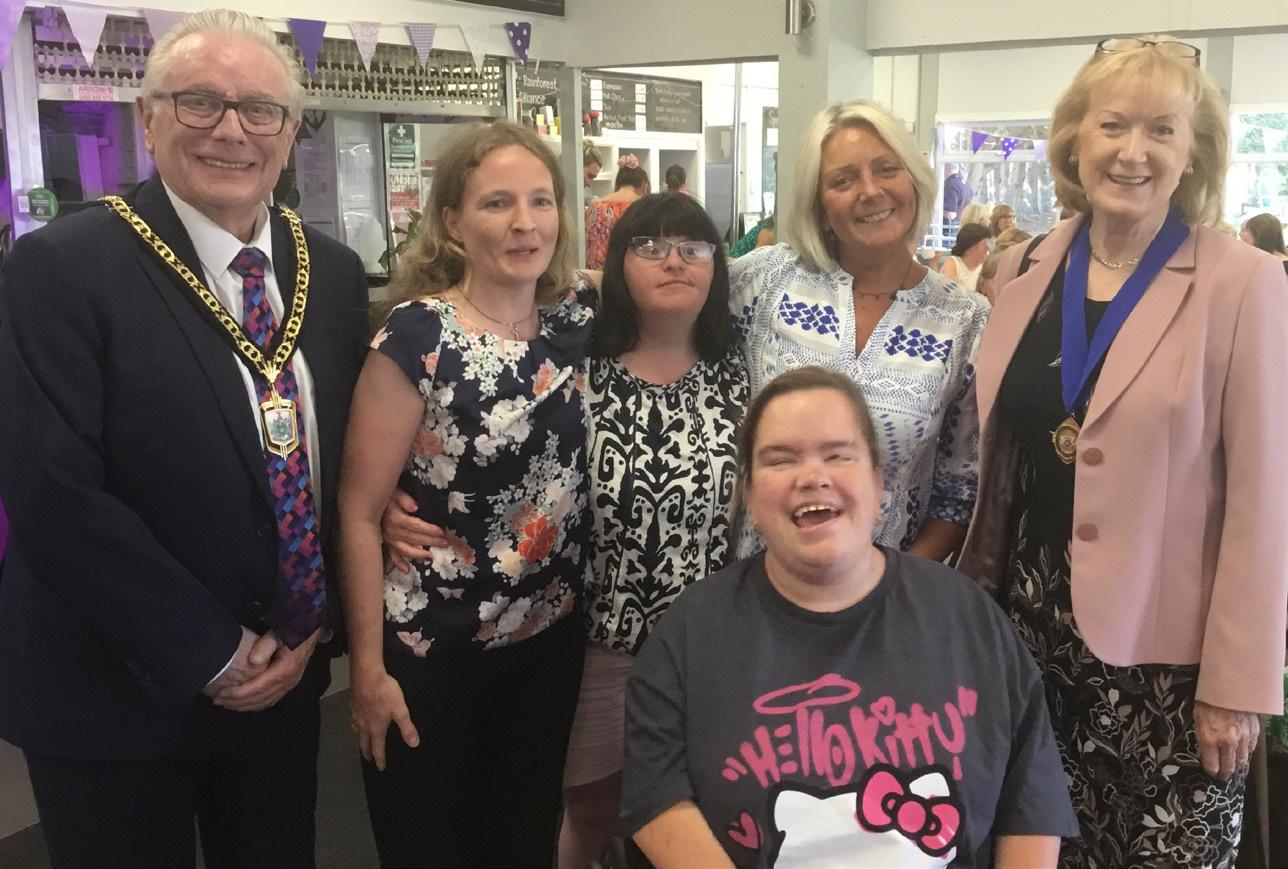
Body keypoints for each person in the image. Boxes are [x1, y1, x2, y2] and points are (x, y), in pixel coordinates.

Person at [0, 10, 370, 868]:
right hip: (112, 686)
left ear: (290, 131)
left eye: (261, 110)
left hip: (284, 674)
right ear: (148, 117)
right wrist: (214, 652)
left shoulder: (330, 270)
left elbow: (342, 460)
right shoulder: (63, 267)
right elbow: (52, 491)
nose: (232, 131)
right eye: (200, 101)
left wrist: (311, 623)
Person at [958, 35, 1288, 868]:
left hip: (1171, 667)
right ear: (1075, 137)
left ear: (1193, 152)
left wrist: (1239, 682)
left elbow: (1264, 498)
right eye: (1112, 124)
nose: (1131, 151)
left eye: (1160, 129)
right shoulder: (1024, 268)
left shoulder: (1243, 283)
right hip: (1028, 638)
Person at [622, 366, 1077, 868]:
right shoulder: (691, 631)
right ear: (749, 494)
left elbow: (1032, 802)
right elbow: (656, 801)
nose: (813, 477)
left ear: (879, 481)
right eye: (780, 459)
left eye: (838, 455)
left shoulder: (967, 617)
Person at [338, 120, 593, 868]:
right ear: (452, 221)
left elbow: (668, 278)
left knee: (523, 842)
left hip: (545, 643)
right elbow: (357, 512)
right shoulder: (417, 336)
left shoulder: (576, 319)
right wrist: (366, 672)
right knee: (429, 845)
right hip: (430, 648)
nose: (525, 223)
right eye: (497, 203)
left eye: (541, 201)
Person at [555, 193, 749, 867]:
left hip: (712, 645)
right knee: (592, 812)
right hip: (603, 639)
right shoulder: (579, 361)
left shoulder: (740, 366)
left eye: (694, 247)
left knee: (700, 816)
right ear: (618, 264)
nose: (674, 261)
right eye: (650, 246)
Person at [731, 100, 989, 562]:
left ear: (915, 181)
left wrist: (892, 586)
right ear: (819, 204)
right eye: (843, 180)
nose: (870, 191)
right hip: (757, 583)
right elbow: (663, 304)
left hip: (887, 592)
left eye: (886, 169)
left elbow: (958, 489)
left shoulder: (965, 319)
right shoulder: (764, 281)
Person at [585, 155, 649, 269]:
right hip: (621, 272)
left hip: (591, 272)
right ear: (644, 186)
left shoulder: (594, 205)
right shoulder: (641, 207)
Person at [941, 222, 992, 291]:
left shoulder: (985, 266)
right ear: (969, 248)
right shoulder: (953, 262)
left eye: (987, 243)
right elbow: (947, 291)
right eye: (983, 244)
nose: (987, 247)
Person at [943, 161, 973, 230]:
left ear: (945, 169)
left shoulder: (950, 185)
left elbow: (950, 214)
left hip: (949, 229)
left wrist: (936, 211)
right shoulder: (965, 184)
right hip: (961, 226)